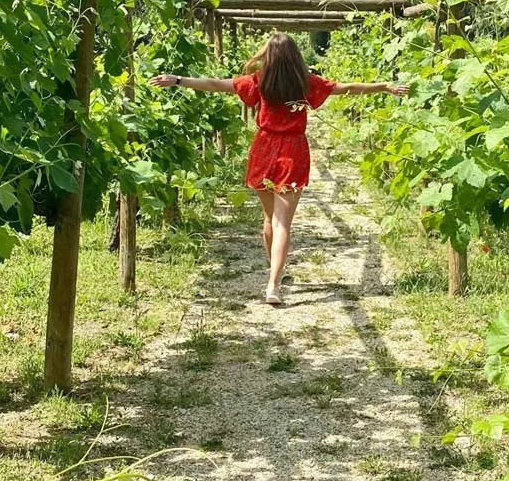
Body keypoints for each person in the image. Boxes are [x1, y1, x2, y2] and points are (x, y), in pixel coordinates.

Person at [149, 32, 409, 306]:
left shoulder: (260, 82)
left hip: (264, 149)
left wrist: (178, 80)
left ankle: (274, 269)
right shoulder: (306, 83)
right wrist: (383, 86)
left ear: (268, 57)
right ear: (296, 56)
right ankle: (273, 282)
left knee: (269, 219)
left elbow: (216, 84)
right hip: (293, 152)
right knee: (282, 222)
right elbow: (346, 88)